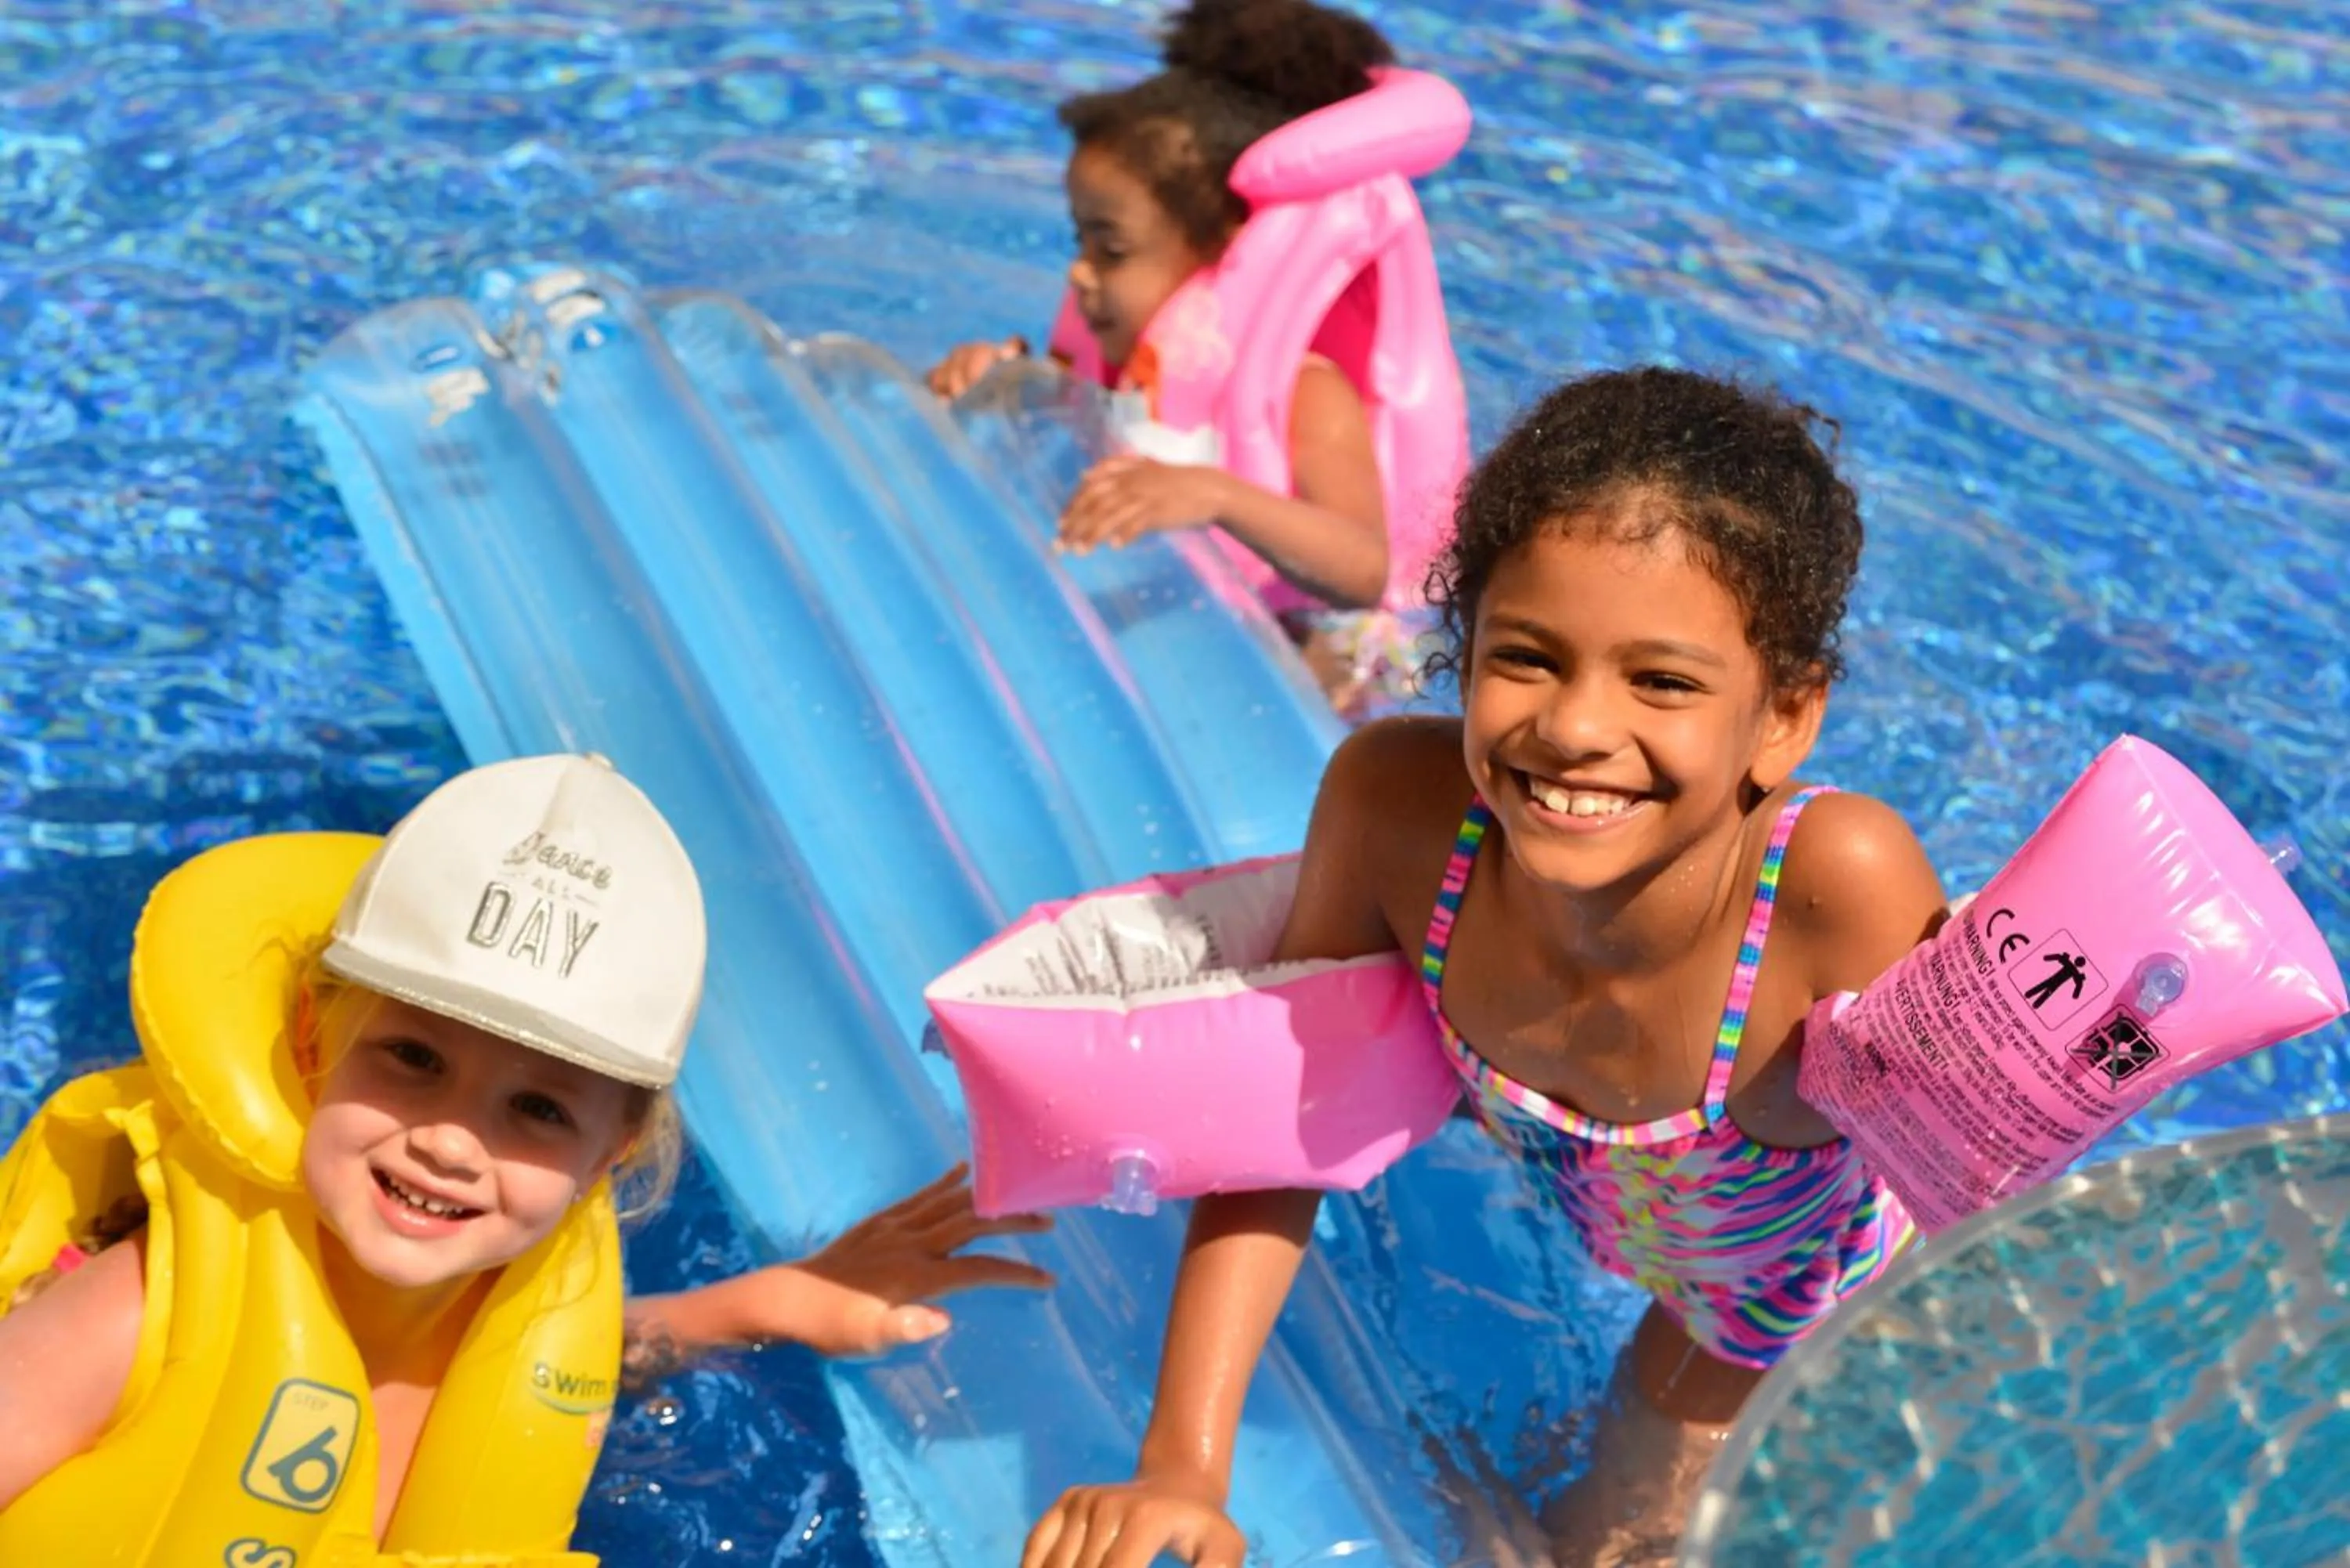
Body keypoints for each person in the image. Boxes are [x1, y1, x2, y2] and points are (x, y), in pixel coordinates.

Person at [1019, 367, 1950, 1568]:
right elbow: (1279, 1128)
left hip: (1787, 1313)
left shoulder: (1835, 888)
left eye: (1661, 680)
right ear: (1460, 651)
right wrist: (1182, 1465)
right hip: (1646, 1232)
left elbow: (1980, 1185)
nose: (1572, 726)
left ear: (1784, 717)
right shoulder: (1399, 814)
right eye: (1527, 656)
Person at [0, 751, 1049, 1559]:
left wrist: (764, 1302)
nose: (453, 1139)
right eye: (412, 1056)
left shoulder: (519, 1312)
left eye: (539, 1109)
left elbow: (569, 1368)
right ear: (315, 1048)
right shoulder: (133, 1315)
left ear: (611, 1150)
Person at [927, 0, 1472, 718]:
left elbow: (1363, 570)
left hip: (1325, 632)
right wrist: (996, 387)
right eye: (1078, 243)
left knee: (1321, 683)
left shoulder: (1308, 393)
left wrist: (1217, 495)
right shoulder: (1130, 351)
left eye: (1111, 250)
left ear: (1224, 250)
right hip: (1190, 605)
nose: (1080, 275)